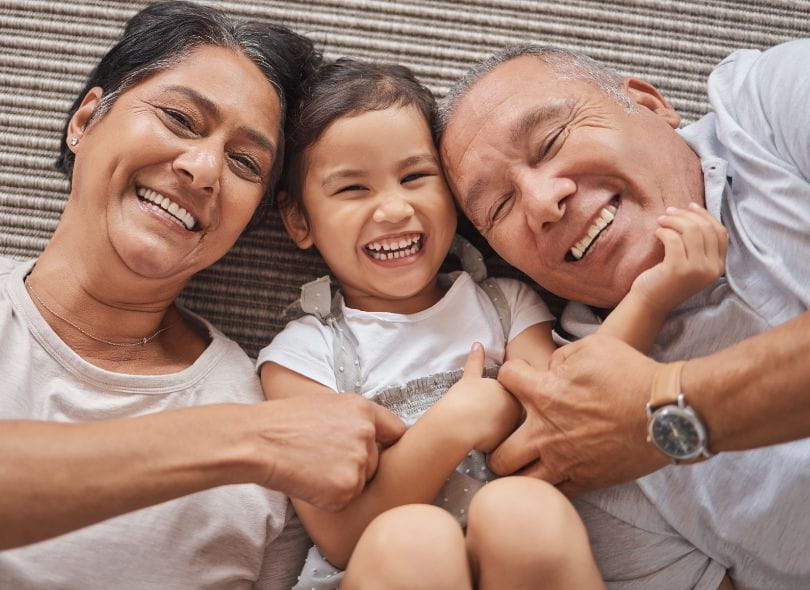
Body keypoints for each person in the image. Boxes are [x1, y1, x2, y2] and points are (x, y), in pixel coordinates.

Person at [258, 58, 725, 589]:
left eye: (415, 178)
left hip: (519, 563)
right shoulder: (301, 357)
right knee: (413, 536)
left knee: (521, 508)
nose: (393, 209)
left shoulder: (504, 305)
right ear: (299, 220)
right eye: (352, 189)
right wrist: (458, 420)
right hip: (385, 569)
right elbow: (342, 537)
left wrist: (651, 297)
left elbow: (570, 415)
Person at [0, 3, 407, 587]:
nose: (203, 168)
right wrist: (245, 439)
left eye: (245, 162)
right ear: (86, 120)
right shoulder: (276, 435)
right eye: (180, 119)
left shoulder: (283, 413)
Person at [438, 41, 810, 588]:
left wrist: (659, 413)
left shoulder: (766, 103)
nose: (542, 203)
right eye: (499, 207)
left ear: (650, 103)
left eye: (551, 141)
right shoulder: (571, 430)